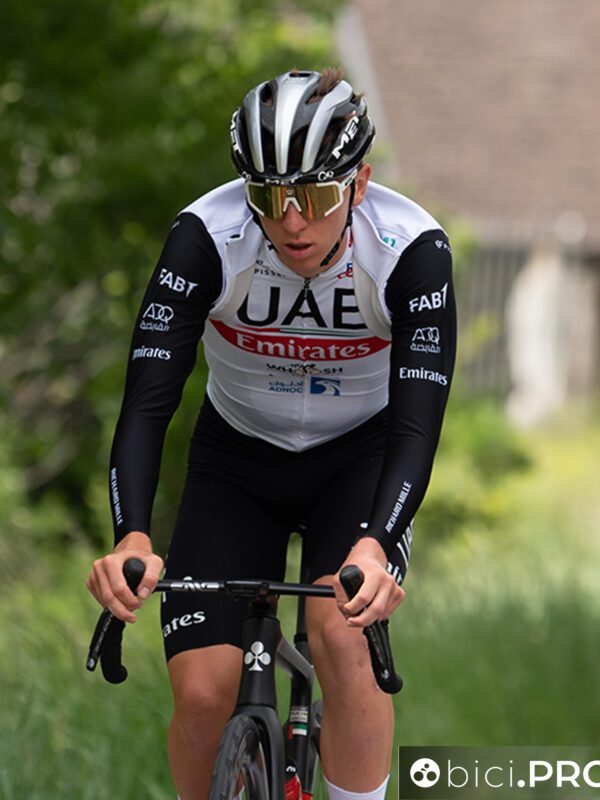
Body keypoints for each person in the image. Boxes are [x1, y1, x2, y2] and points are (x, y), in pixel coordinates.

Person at [87, 68, 456, 800]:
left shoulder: (410, 249)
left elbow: (418, 423)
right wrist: (131, 536)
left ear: (359, 183)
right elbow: (147, 404)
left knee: (341, 638)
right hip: (236, 458)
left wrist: (378, 543)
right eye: (268, 197)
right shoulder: (206, 237)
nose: (290, 222)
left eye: (313, 198)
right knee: (202, 692)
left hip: (360, 459)